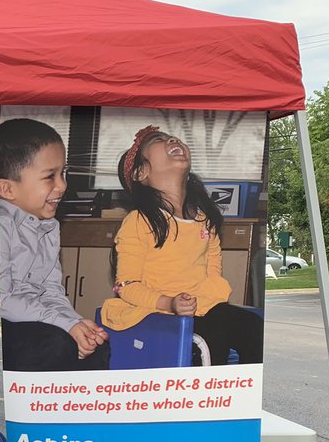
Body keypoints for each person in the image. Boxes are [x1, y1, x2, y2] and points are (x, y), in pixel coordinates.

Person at [100, 126, 263, 365]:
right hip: (155, 312)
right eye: (158, 140)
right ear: (141, 173)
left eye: (171, 137)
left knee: (252, 326)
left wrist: (206, 301)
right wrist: (169, 302)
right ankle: (200, 396)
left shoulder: (204, 219)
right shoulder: (139, 221)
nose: (172, 139)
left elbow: (213, 273)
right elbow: (126, 285)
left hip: (200, 308)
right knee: (211, 336)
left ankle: (238, 395)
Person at [0, 118, 108, 371]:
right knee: (58, 344)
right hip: (9, 321)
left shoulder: (49, 225)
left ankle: (78, 408)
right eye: (50, 176)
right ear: (7, 188)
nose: (63, 185)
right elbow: (4, 299)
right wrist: (64, 325)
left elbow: (50, 288)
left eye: (63, 173)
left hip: (37, 319)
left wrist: (75, 322)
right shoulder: (2, 226)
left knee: (97, 343)